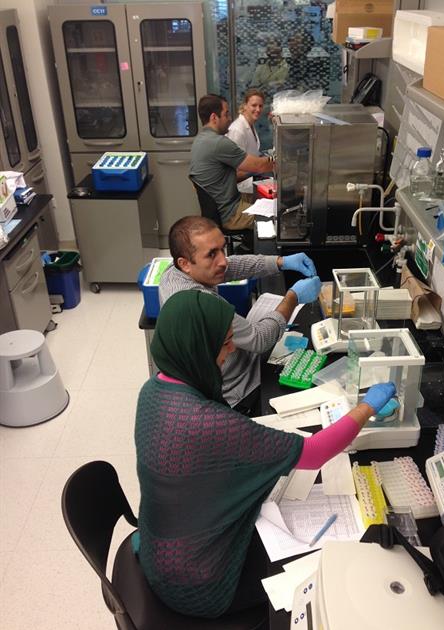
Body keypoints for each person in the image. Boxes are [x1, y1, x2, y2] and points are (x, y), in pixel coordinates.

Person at [134, 290, 397, 618]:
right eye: (225, 342)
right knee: (325, 577)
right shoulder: (206, 423)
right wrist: (367, 406)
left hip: (160, 550)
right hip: (198, 583)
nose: (232, 349)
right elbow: (313, 453)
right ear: (197, 348)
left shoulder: (153, 390)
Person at [159, 215, 321, 413]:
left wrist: (280, 262)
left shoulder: (175, 271)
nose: (222, 261)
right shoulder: (201, 305)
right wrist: (293, 297)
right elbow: (260, 339)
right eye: (212, 254)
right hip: (236, 389)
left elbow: (232, 266)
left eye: (222, 249)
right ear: (185, 263)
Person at [190, 93, 273, 231]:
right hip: (231, 213)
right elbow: (260, 166)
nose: (229, 119)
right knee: (276, 216)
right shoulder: (218, 143)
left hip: (223, 207)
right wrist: (281, 160)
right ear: (214, 117)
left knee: (265, 199)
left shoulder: (200, 140)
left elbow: (229, 176)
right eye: (226, 114)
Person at [226, 88, 265, 195]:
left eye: (260, 106)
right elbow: (235, 171)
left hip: (250, 181)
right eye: (254, 105)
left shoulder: (249, 125)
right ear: (245, 106)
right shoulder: (237, 130)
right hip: (241, 189)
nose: (258, 109)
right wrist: (261, 167)